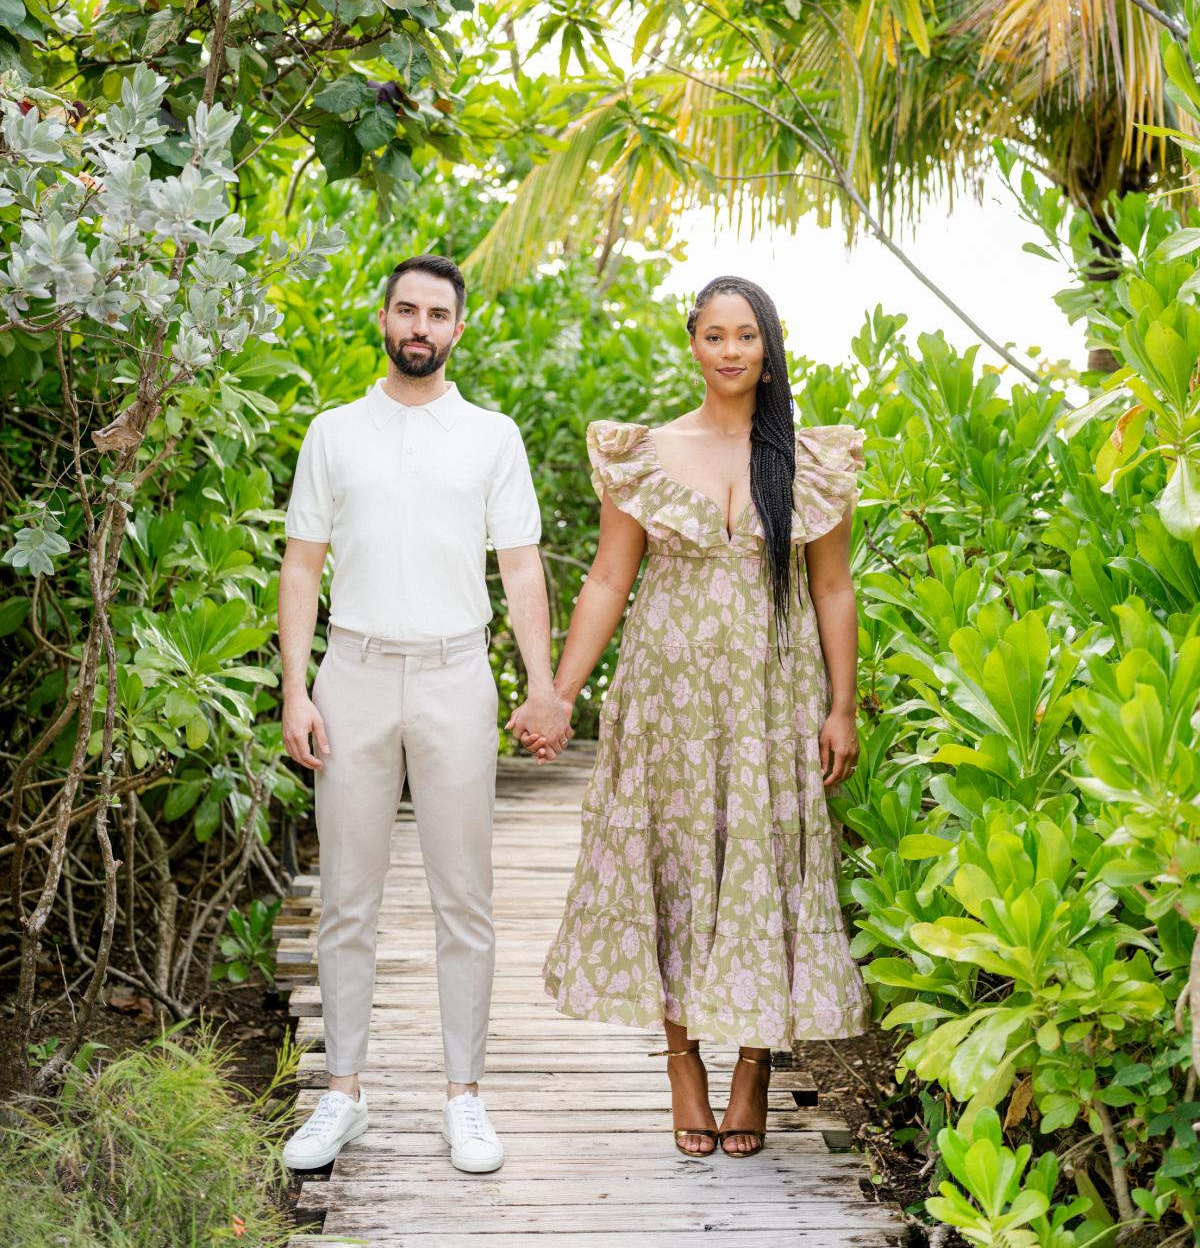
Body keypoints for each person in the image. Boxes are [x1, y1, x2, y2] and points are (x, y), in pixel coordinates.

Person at [535, 274, 870, 1158]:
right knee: (676, 863)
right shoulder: (646, 453)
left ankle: (753, 1066)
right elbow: (610, 578)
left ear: (770, 348)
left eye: (747, 336)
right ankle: (682, 1060)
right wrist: (560, 692)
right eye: (715, 335)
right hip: (666, 700)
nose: (731, 351)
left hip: (772, 699)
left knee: (762, 859)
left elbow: (831, 588)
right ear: (693, 344)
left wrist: (841, 705)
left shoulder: (808, 457)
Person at [277, 253, 572, 1175]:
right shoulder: (333, 433)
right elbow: (300, 566)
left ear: (457, 328)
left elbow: (521, 568)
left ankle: (464, 1097)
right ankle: (344, 1094)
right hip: (354, 673)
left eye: (437, 314)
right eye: (406, 309)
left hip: (456, 675)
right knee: (346, 901)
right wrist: (296, 688)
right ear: (383, 318)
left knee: (465, 900)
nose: (420, 326)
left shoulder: (491, 436)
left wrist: (543, 684)